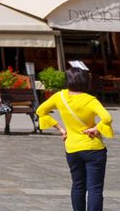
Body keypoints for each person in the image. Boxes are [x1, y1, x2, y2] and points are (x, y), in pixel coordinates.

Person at [37, 65, 113, 211]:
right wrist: (96, 128)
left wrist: (60, 128)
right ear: (85, 82)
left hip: (71, 148)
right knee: (95, 189)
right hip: (93, 148)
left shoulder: (60, 96)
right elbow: (107, 118)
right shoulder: (90, 100)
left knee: (77, 185)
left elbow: (40, 110)